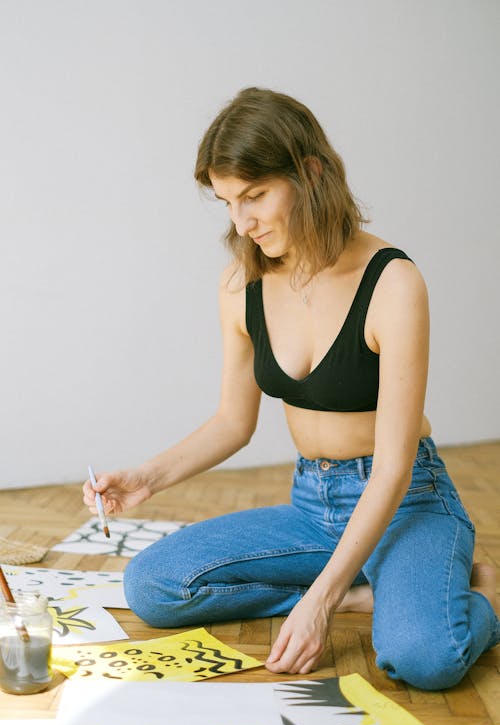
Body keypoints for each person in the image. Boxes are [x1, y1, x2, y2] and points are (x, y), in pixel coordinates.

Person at [83, 87, 499, 690]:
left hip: (404, 504)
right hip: (313, 504)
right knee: (152, 586)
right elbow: (234, 421)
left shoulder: (393, 283)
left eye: (255, 196)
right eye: (227, 201)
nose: (242, 222)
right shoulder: (240, 284)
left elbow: (393, 469)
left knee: (424, 658)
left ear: (310, 173)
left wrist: (320, 603)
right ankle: (370, 593)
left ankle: (472, 602)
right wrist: (144, 479)